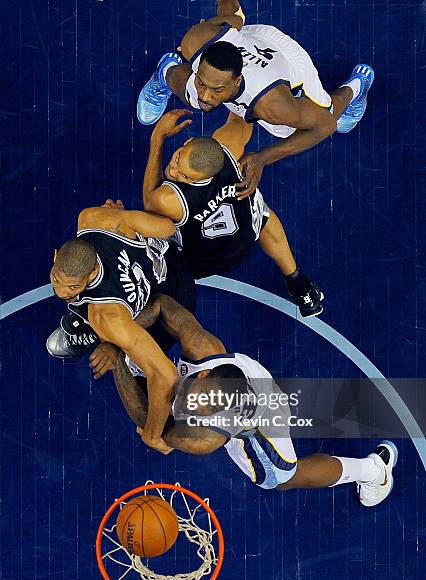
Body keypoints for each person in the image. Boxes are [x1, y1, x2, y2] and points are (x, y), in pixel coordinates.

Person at [90, 294, 397, 507]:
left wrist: (117, 356)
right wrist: (121, 336)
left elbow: (150, 424)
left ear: (219, 416)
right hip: (249, 377)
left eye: (201, 409)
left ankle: (374, 470)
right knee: (164, 388)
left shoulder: (205, 438)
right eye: (195, 399)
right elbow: (161, 304)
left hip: (263, 421)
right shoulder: (202, 346)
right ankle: (140, 362)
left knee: (285, 478)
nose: (191, 406)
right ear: (202, 374)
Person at [137, 0, 375, 198]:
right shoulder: (196, 41)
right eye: (202, 83)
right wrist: (235, 18)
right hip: (245, 39)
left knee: (319, 115)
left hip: (284, 57)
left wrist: (263, 157)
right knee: (191, 95)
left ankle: (356, 87)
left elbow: (326, 125)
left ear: (237, 82)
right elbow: (226, 20)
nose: (205, 96)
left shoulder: (275, 106)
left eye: (217, 90)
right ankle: (164, 71)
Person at [46, 202, 196, 455]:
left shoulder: (105, 317)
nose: (61, 291)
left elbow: (167, 376)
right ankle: (101, 334)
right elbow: (169, 226)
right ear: (55, 256)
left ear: (93, 272)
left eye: (72, 288)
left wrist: (151, 434)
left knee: (141, 405)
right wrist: (127, 219)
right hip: (171, 262)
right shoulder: (95, 219)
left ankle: (104, 343)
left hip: (171, 305)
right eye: (56, 278)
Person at [144, 108, 324, 317]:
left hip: (198, 262)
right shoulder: (230, 144)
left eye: (184, 176)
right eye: (177, 160)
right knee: (258, 209)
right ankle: (298, 284)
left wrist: (157, 136)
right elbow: (242, 109)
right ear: (188, 142)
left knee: (145, 229)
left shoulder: (168, 199)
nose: (173, 171)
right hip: (243, 238)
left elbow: (149, 200)